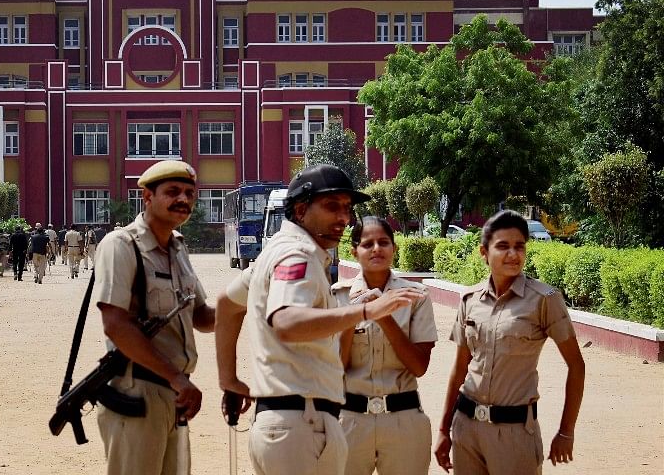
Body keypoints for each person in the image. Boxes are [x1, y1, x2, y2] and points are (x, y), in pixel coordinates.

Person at [215, 164, 422, 475]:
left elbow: (225, 305)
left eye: (347, 208)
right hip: (301, 425)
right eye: (331, 206)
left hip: (287, 424)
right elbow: (285, 322)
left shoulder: (275, 253)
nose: (343, 218)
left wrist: (229, 379)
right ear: (301, 210)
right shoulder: (298, 255)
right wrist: (367, 311)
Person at [434, 210, 585, 474]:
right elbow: (459, 369)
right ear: (484, 252)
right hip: (467, 429)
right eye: (503, 246)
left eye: (519, 247)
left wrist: (566, 432)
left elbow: (576, 365)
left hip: (515, 433)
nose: (513, 255)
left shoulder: (544, 299)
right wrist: (444, 430)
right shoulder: (470, 300)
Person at [94, 159, 216, 475]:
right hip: (138, 390)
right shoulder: (122, 245)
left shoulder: (177, 248)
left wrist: (248, 301)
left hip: (175, 395)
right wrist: (175, 377)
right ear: (147, 197)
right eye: (173, 191)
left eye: (190, 193)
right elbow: (116, 325)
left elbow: (201, 316)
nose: (184, 200)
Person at [332, 216, 438, 475]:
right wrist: (355, 313)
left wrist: (383, 313)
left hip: (403, 420)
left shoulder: (416, 297)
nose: (376, 249)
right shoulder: (337, 296)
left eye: (384, 242)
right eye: (367, 244)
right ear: (353, 251)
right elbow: (336, 368)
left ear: (395, 248)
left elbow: (418, 366)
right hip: (349, 420)